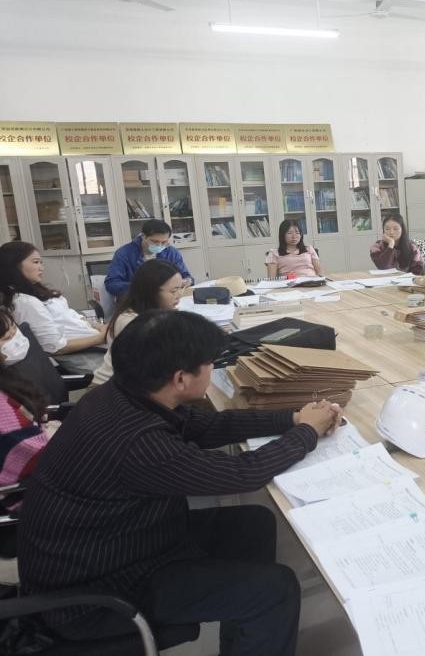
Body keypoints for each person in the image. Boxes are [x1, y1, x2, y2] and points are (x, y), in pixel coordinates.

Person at [18, 310, 343, 655]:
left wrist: (292, 418)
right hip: (95, 593)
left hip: (123, 541)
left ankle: (245, 640)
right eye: (209, 363)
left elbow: (205, 426)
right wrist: (307, 432)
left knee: (254, 522)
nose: (212, 368)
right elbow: (241, 474)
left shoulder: (124, 394)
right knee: (275, 590)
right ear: (181, 378)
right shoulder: (138, 443)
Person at [0, 241, 107, 373]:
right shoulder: (24, 302)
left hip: (98, 343)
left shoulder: (35, 291)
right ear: (14, 265)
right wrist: (102, 337)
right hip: (91, 355)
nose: (41, 267)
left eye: (41, 262)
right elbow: (55, 347)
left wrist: (98, 326)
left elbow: (69, 316)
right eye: (36, 262)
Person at [91, 259, 183, 387]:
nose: (179, 295)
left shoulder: (153, 314)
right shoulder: (131, 322)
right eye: (173, 291)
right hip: (110, 390)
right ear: (151, 292)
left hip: (131, 385)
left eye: (181, 288)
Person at [0, 307, 49, 488]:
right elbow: (34, 457)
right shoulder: (4, 414)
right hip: (29, 489)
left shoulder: (7, 377)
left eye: (15, 329)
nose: (15, 338)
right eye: (7, 338)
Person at [105, 219, 193, 300]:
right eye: (155, 241)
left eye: (164, 242)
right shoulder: (124, 253)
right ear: (143, 236)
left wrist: (187, 281)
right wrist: (143, 287)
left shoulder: (171, 252)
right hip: (136, 301)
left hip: (166, 300)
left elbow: (186, 276)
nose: (159, 245)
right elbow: (112, 284)